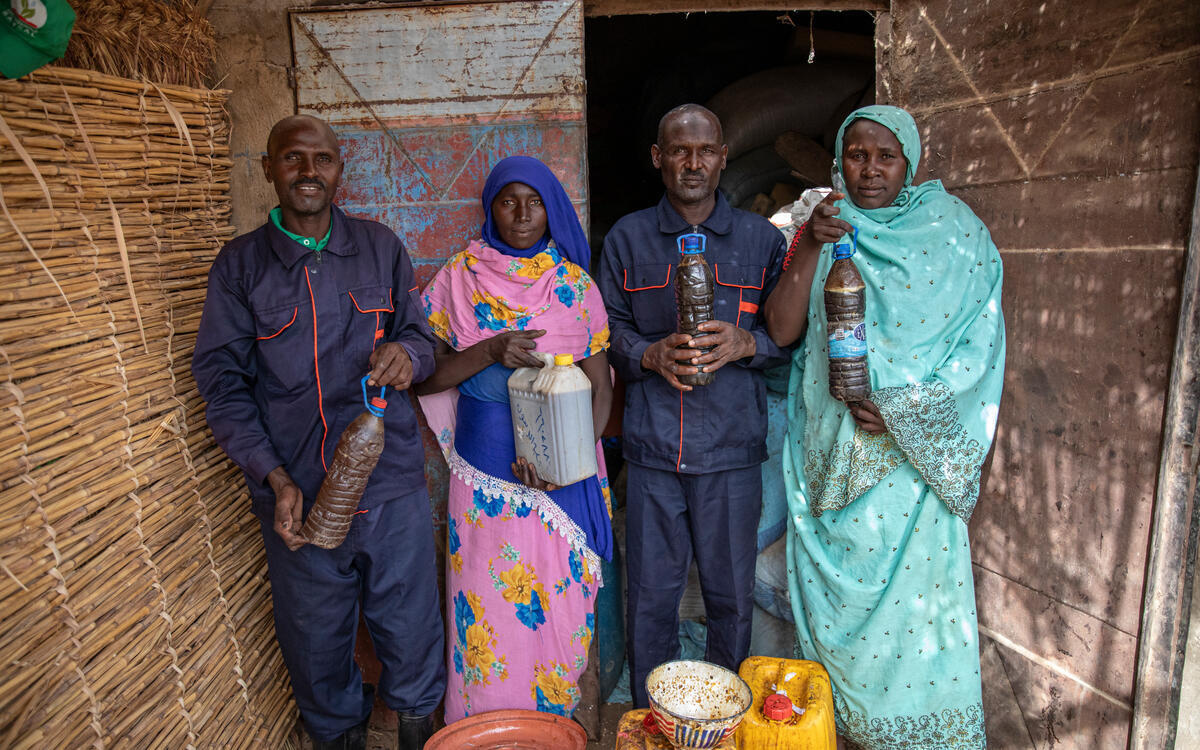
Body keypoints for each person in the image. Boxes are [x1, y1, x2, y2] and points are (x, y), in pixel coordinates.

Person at [192, 115, 445, 750]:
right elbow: (221, 384)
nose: (309, 173)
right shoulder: (241, 266)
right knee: (317, 652)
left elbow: (422, 337)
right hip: (299, 498)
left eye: (323, 160)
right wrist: (274, 478)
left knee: (413, 638)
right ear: (269, 168)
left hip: (390, 492)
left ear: (340, 168)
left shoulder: (379, 246)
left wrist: (408, 357)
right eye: (293, 159)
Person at [763, 105, 1005, 749]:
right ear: (839, 160)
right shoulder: (825, 226)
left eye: (884, 157)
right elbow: (783, 330)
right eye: (856, 155)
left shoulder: (957, 234)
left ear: (910, 162)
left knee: (914, 625)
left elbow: (980, 347)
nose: (869, 169)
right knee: (838, 620)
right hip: (831, 457)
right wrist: (812, 241)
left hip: (912, 467)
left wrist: (905, 409)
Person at [596, 104, 788, 708]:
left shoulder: (761, 242)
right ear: (658, 158)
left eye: (705, 150)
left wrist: (746, 341)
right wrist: (648, 356)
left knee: (731, 596)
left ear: (724, 157)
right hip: (653, 449)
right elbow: (606, 331)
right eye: (679, 150)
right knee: (650, 596)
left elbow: (790, 336)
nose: (693, 162)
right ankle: (654, 722)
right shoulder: (627, 238)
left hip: (731, 449)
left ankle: (721, 719)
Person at [414, 155, 614, 722]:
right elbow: (425, 376)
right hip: (486, 473)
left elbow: (602, 388)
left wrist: (569, 461)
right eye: (508, 201)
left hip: (563, 479)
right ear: (490, 208)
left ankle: (550, 726)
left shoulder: (575, 285)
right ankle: (487, 727)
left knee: (558, 606)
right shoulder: (458, 277)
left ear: (551, 209)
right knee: (487, 611)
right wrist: (489, 350)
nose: (522, 213)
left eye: (535, 202)